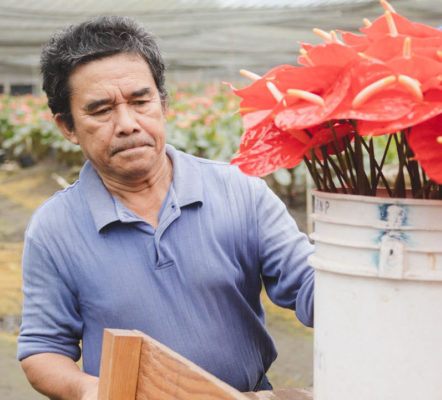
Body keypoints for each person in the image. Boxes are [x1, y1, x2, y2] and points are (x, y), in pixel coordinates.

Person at [17, 16, 315, 399]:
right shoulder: (54, 228)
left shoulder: (239, 190)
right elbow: (42, 350)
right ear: (67, 127)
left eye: (140, 101)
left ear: (163, 103)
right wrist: (92, 391)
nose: (127, 124)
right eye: (101, 110)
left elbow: (307, 283)